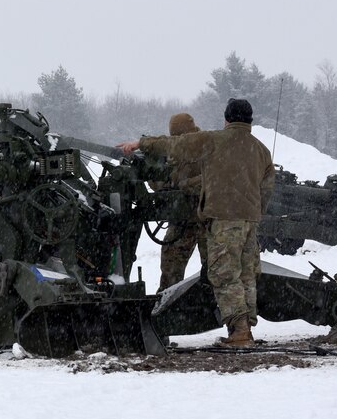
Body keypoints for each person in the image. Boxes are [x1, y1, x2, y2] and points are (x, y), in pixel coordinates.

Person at [118, 98, 275, 348]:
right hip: (247, 222)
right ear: (250, 120)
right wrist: (252, 212)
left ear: (226, 119)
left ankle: (240, 333)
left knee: (223, 274)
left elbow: (176, 145)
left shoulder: (213, 141)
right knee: (246, 274)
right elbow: (266, 188)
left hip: (221, 221)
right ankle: (244, 329)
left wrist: (141, 143)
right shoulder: (261, 150)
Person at [155, 113, 207, 292]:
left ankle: (211, 306)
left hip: (206, 219)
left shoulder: (206, 147)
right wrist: (156, 176)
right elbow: (161, 184)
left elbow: (213, 178)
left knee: (213, 269)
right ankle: (167, 301)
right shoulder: (173, 151)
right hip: (181, 219)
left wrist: (187, 184)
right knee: (170, 268)